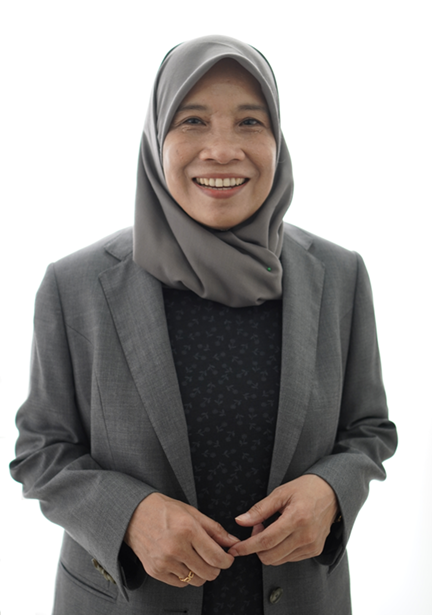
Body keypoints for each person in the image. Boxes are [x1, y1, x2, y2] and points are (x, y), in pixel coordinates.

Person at [10, 35, 397, 615]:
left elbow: (369, 429)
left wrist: (331, 491)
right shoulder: (77, 285)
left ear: (278, 140)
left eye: (250, 122)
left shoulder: (339, 276)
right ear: (156, 138)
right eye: (192, 121)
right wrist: (128, 515)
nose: (222, 150)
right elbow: (40, 449)